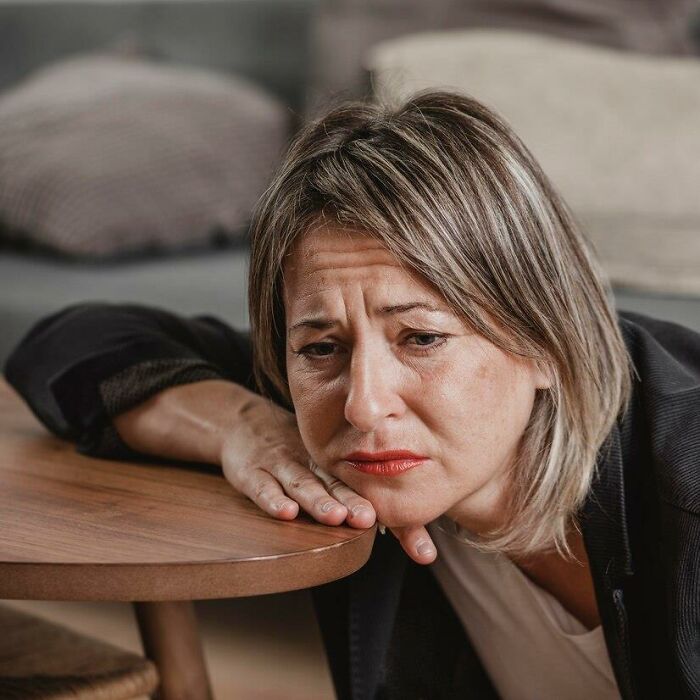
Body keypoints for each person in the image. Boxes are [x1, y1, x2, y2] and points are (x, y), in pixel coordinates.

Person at [4, 90, 699, 700]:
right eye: (320, 348)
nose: (363, 405)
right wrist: (245, 427)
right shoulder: (320, 397)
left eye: (421, 338)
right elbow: (67, 344)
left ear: (543, 340)